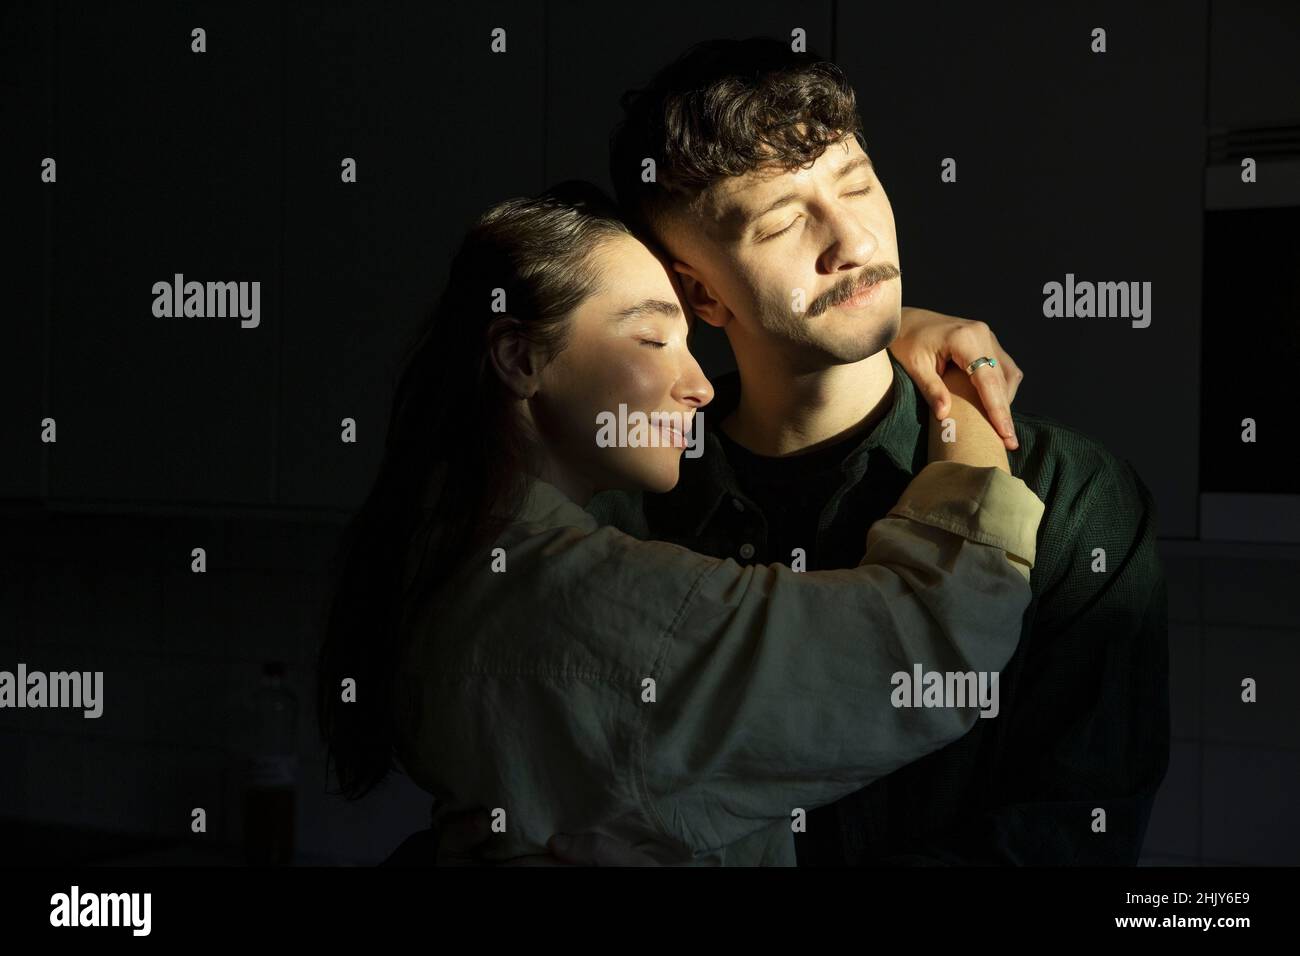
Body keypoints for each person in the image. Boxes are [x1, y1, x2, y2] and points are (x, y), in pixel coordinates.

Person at [317, 182, 1046, 865]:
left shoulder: (454, 553)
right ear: (519, 357)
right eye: (650, 340)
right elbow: (937, 639)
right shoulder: (575, 601)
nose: (698, 385)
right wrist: (960, 392)